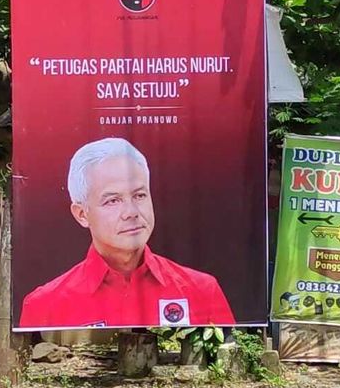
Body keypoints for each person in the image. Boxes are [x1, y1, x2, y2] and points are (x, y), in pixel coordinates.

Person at [19, 137, 235, 328]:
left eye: (139, 195)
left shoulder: (201, 290)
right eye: (113, 200)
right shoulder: (44, 306)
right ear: (82, 214)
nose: (131, 212)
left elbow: (231, 369)